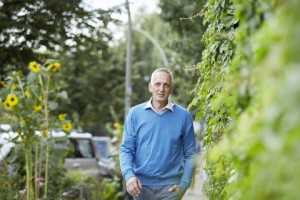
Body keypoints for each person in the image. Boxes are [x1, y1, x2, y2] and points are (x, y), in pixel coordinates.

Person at [120, 68, 196, 200]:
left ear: (171, 89)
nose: (161, 89)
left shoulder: (184, 116)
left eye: (166, 85)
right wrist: (129, 176)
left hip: (170, 189)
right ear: (150, 87)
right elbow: (126, 149)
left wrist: (184, 184)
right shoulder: (134, 114)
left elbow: (190, 154)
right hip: (140, 188)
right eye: (157, 84)